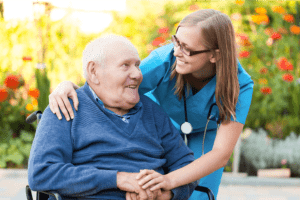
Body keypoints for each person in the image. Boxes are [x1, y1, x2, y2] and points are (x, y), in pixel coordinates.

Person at [48, 9, 254, 200]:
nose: (177, 52)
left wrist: (170, 181)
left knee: (197, 191)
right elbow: (109, 87)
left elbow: (220, 154)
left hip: (205, 131)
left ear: (214, 54)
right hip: (162, 125)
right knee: (155, 187)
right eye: (176, 41)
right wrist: (69, 85)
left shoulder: (240, 85)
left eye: (187, 49)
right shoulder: (163, 61)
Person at [28, 34, 198, 200]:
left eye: (137, 65)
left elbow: (188, 167)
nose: (138, 74)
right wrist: (119, 179)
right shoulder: (65, 108)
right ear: (93, 71)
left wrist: (166, 194)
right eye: (125, 65)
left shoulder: (153, 112)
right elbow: (42, 172)